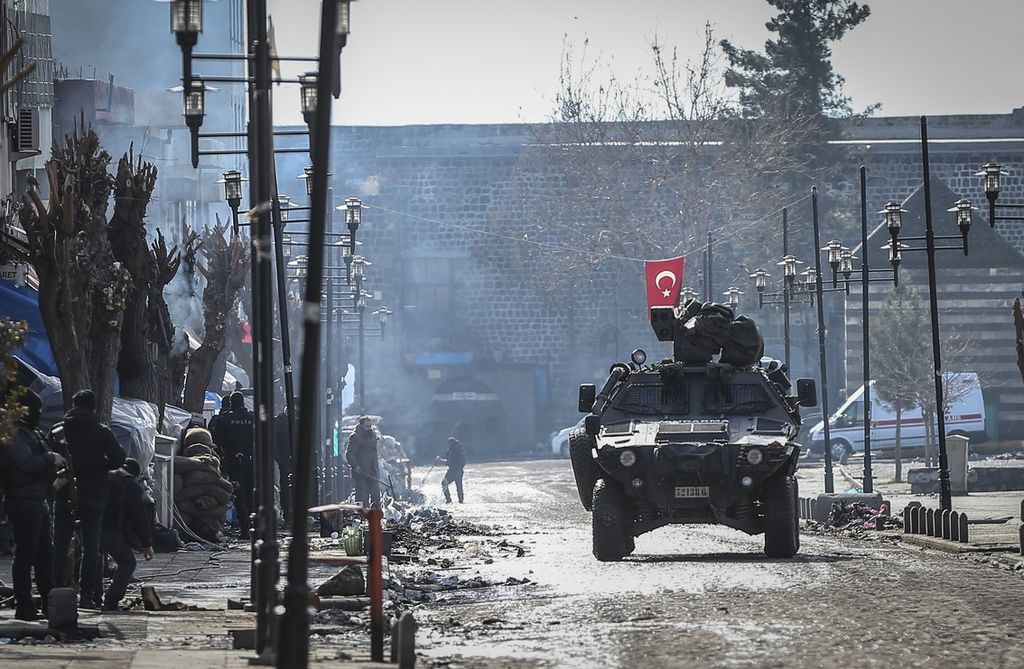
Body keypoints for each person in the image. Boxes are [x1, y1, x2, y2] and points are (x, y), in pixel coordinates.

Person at [0, 389, 64, 620]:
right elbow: (26, 463)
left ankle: (49, 603)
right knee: (26, 554)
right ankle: (24, 606)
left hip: (37, 499)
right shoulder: (14, 435)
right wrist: (50, 458)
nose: (39, 414)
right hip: (22, 500)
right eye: (36, 410)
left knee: (45, 555)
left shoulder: (30, 432)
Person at [60, 389, 126, 609]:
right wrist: (98, 467)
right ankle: (88, 596)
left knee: (59, 545)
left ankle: (55, 592)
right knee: (91, 547)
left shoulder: (60, 430)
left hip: (65, 493)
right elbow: (119, 459)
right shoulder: (101, 432)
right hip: (94, 493)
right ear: (93, 408)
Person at [101, 458, 153, 611]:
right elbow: (139, 517)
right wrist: (146, 544)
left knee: (94, 560)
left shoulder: (104, 477)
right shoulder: (130, 485)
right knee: (127, 563)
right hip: (111, 530)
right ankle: (111, 600)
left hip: (88, 526)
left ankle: (90, 597)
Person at [213, 391, 254, 539]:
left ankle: (244, 529)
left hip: (234, 463)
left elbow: (216, 442)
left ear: (231, 403)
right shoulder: (252, 418)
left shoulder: (225, 420)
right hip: (252, 462)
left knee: (239, 494)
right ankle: (254, 525)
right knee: (252, 494)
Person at [345, 416, 380, 509]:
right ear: (361, 425)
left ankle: (375, 515)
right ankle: (361, 516)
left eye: (370, 426)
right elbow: (349, 454)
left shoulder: (373, 437)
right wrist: (355, 466)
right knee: (361, 497)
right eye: (366, 426)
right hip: (361, 472)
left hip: (372, 471)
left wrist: (376, 467)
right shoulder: (355, 437)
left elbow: (374, 454)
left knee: (376, 495)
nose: (369, 428)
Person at [274, 410, 292, 524]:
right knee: (285, 487)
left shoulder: (281, 422)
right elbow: (274, 443)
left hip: (288, 460)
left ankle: (290, 513)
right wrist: (280, 460)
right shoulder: (279, 422)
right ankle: (288, 514)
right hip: (285, 460)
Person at [440, 436, 466, 504]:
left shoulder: (453, 450)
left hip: (453, 471)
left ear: (450, 443)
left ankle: (448, 500)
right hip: (460, 471)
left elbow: (450, 461)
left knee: (444, 483)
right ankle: (461, 500)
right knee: (459, 486)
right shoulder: (459, 449)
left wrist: (441, 461)